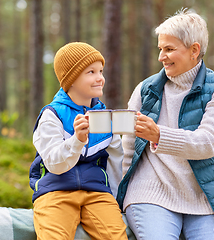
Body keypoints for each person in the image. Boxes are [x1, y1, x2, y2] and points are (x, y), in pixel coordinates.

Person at [116, 9, 214, 240]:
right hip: (150, 193)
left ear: (194, 50)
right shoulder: (146, 90)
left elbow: (208, 142)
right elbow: (128, 149)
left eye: (169, 49)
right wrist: (118, 194)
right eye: (160, 49)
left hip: (206, 197)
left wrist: (158, 135)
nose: (161, 56)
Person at [29, 42, 128, 240]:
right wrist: (77, 140)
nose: (100, 78)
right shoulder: (52, 115)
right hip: (55, 191)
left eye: (101, 71)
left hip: (98, 193)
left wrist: (117, 201)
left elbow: (116, 164)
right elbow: (54, 164)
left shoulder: (105, 117)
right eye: (90, 72)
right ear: (71, 79)